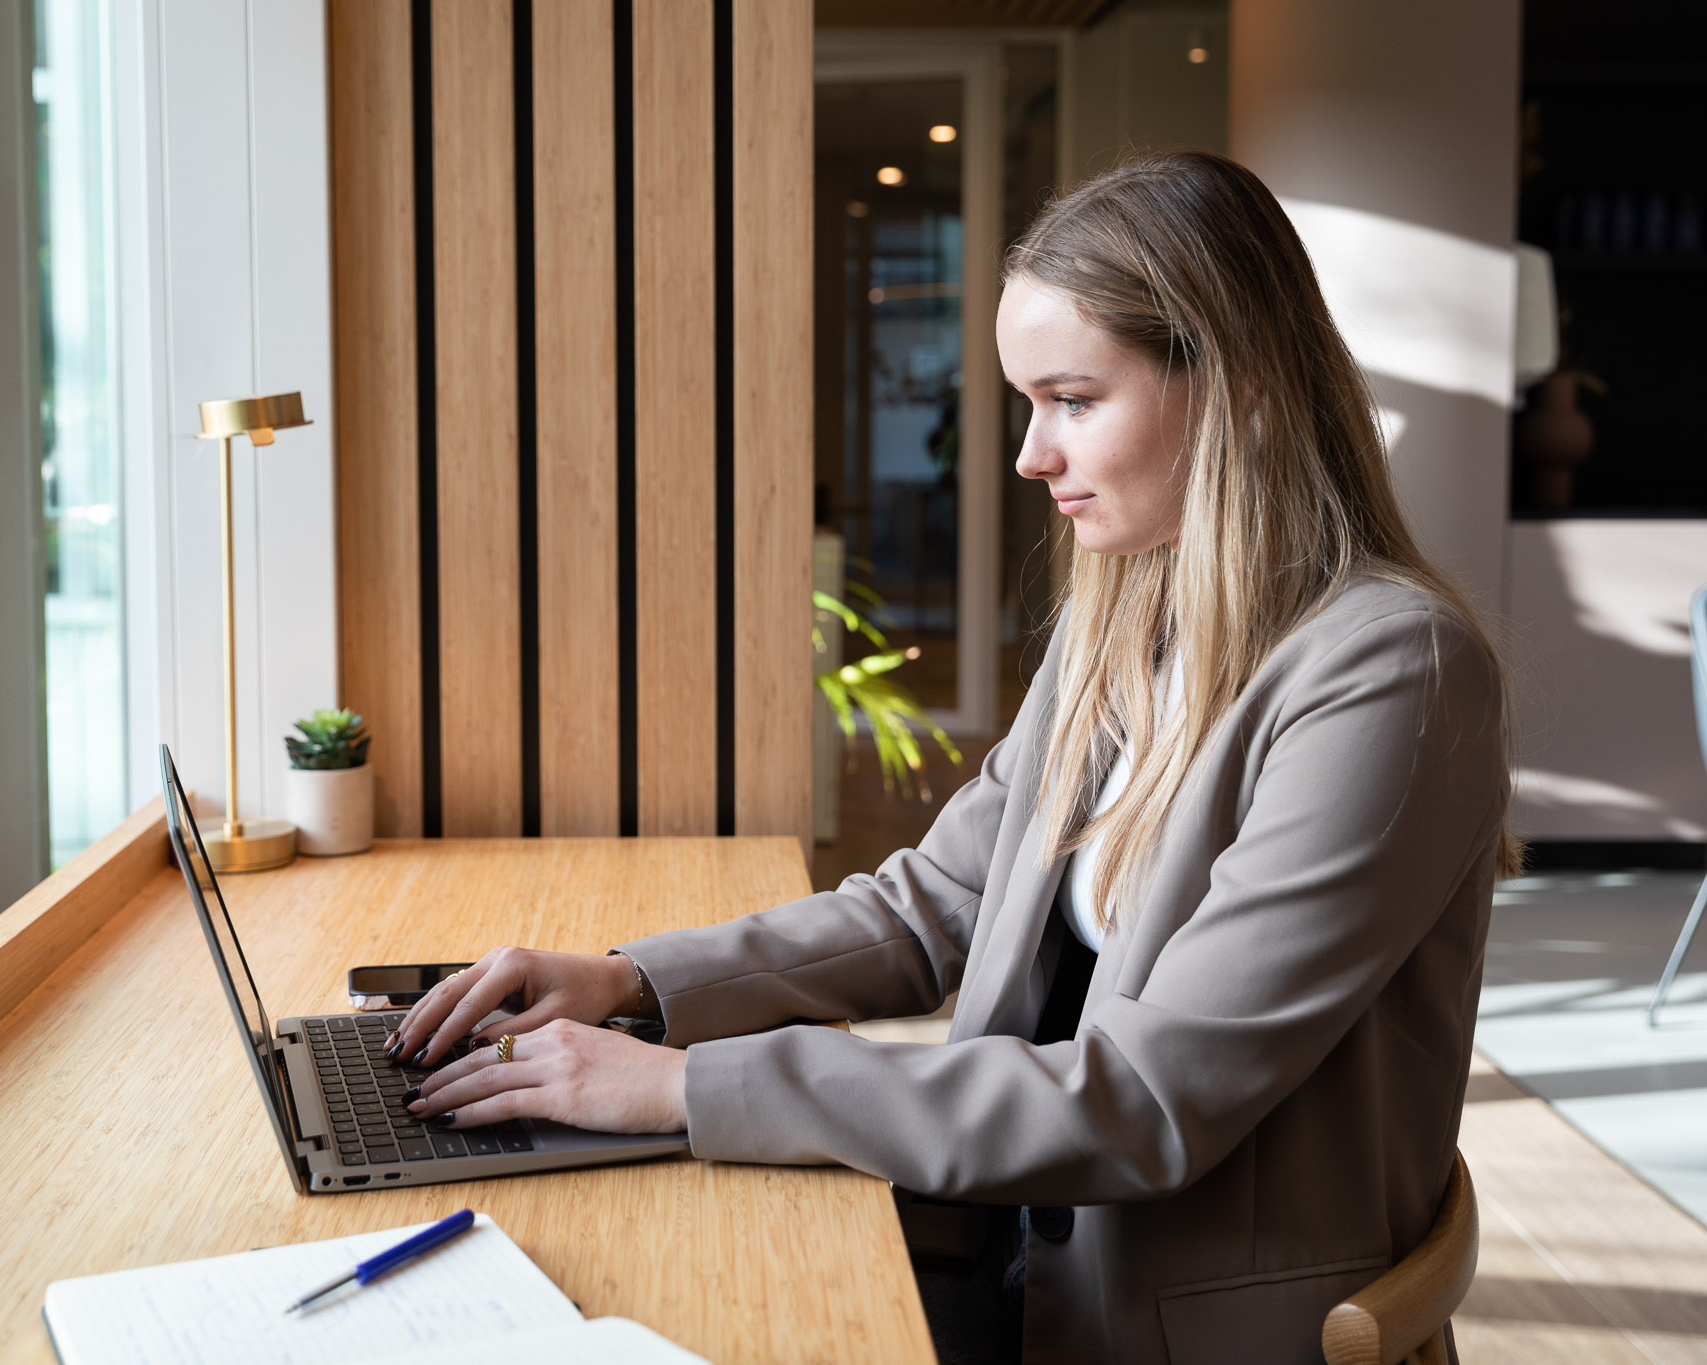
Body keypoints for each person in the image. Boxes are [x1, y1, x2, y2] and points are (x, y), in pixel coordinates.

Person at [391, 150, 1516, 1365]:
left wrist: (679, 1089)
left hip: (1160, 1331)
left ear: (1239, 385)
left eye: (1072, 400)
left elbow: (1142, 1103)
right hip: (1005, 1249)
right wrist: (630, 986)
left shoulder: (1389, 675)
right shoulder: (1127, 617)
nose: (1031, 454)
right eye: (1027, 404)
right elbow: (934, 904)